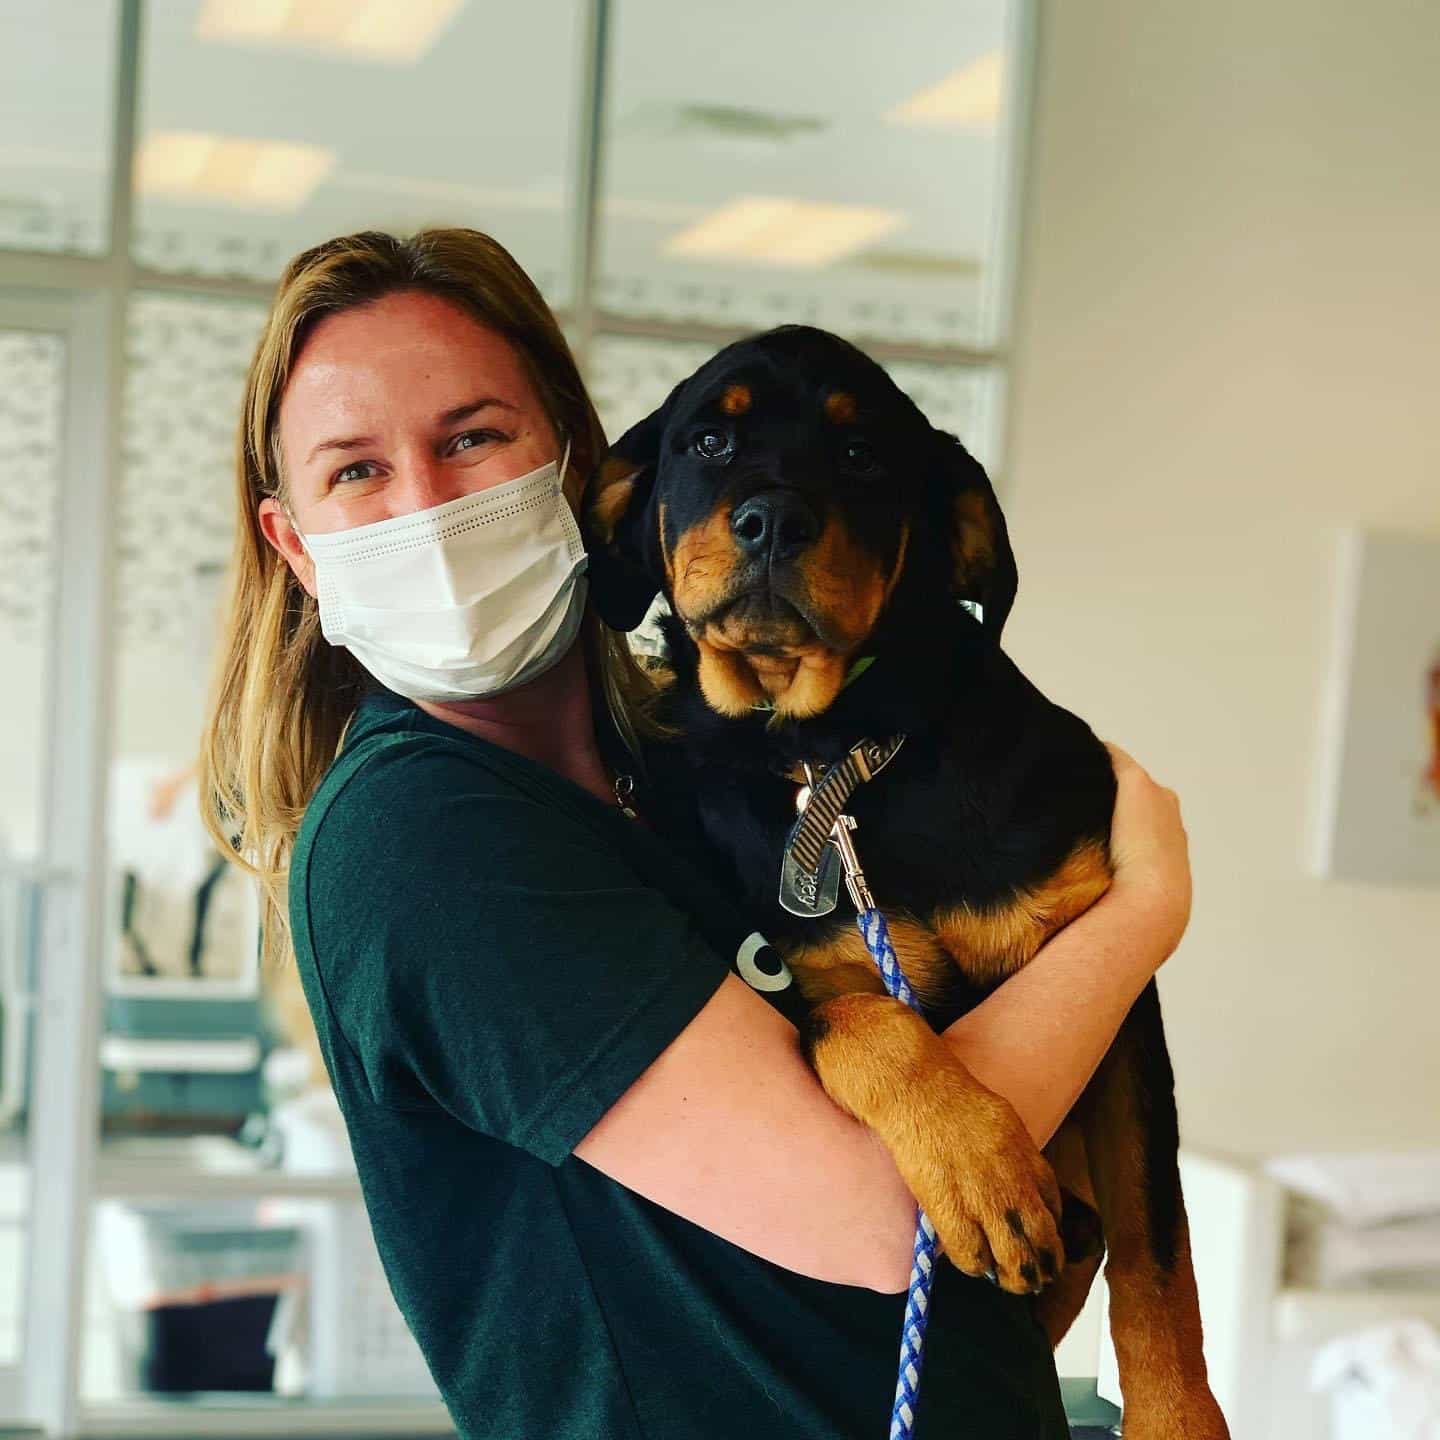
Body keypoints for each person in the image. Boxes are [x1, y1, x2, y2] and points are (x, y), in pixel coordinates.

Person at [200, 228, 1194, 1440]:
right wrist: (1136, 918)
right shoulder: (421, 841)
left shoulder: (677, 773)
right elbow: (879, 1215)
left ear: (572, 471)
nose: (429, 503)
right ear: (295, 543)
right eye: (356, 470)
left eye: (471, 438)